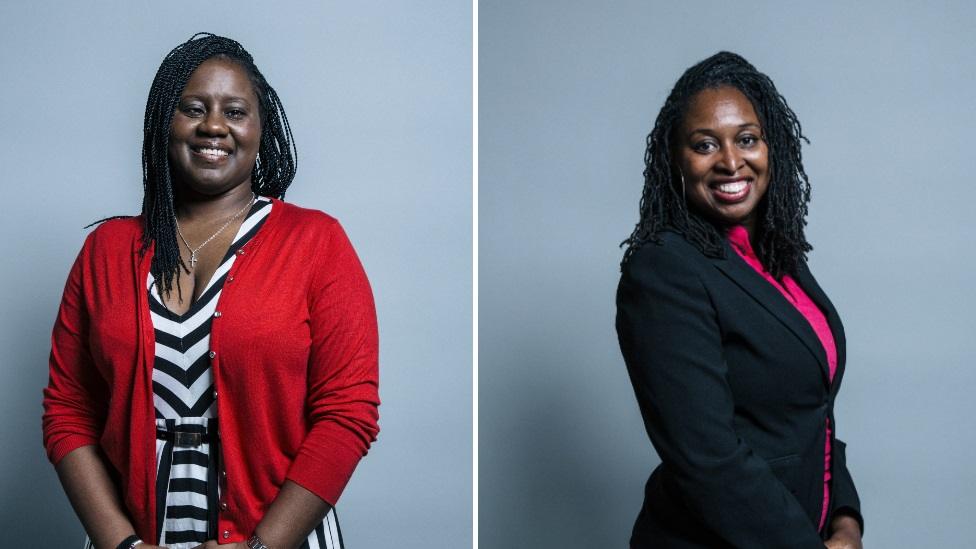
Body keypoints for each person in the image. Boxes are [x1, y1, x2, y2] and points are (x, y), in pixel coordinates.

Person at [42, 33, 379, 549]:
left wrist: (262, 546)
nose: (214, 125)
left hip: (279, 539)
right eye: (193, 108)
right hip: (131, 536)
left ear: (261, 129)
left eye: (235, 111)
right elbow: (69, 408)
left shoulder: (316, 243)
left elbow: (347, 412)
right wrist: (120, 544)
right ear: (164, 123)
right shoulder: (106, 251)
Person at [615, 52, 863, 549]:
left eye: (747, 139)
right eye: (705, 145)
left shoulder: (779, 259)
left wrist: (845, 519)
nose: (731, 161)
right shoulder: (664, 270)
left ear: (773, 147)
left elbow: (812, 413)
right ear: (676, 160)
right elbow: (708, 458)